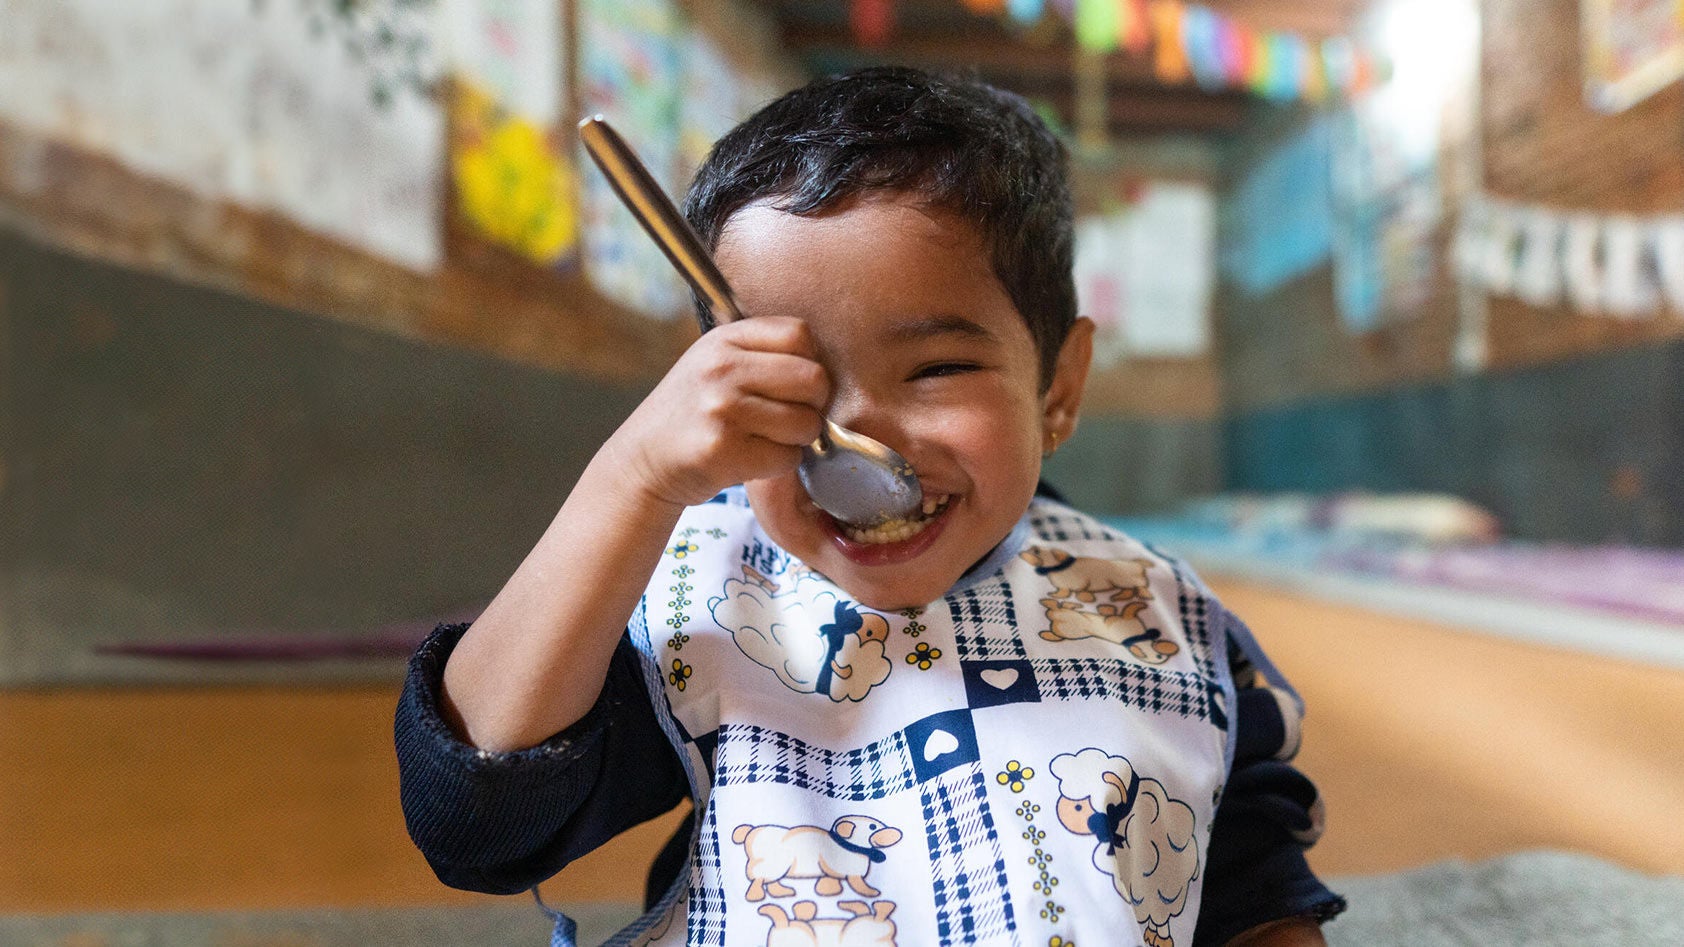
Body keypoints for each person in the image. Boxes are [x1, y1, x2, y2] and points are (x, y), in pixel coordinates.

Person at [397, 67, 1344, 947]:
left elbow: (1248, 865)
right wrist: (631, 479)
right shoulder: (712, 605)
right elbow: (475, 820)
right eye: (785, 384)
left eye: (936, 369)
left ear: (1058, 386)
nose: (861, 441)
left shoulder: (1149, 613)